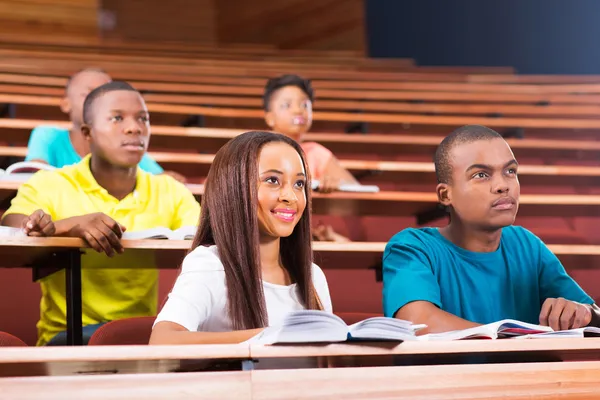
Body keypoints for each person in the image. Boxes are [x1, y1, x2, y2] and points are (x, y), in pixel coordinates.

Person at [2, 81, 200, 346]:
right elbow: (14, 229)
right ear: (88, 133)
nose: (134, 128)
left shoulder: (170, 190)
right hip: (66, 339)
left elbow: (205, 241)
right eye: (117, 118)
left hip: (143, 339)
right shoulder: (49, 183)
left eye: (143, 119)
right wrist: (68, 226)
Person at [383, 124, 600, 334]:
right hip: (446, 372)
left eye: (510, 171)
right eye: (481, 175)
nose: (502, 185)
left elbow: (593, 314)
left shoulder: (527, 245)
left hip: (526, 372)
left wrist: (585, 313)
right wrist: (516, 339)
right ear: (445, 195)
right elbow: (419, 323)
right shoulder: (412, 247)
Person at [149, 131, 332, 345]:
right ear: (234, 187)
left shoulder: (312, 275)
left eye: (299, 184)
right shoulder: (210, 265)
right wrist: (274, 337)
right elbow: (163, 340)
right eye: (273, 180)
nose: (290, 197)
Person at [25, 67, 185, 182]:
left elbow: (162, 178)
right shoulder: (47, 135)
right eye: (88, 94)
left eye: (107, 95)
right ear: (66, 103)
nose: (98, 102)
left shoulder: (122, 145)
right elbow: (35, 174)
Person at [264, 74, 356, 242]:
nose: (298, 110)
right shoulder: (259, 151)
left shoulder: (316, 152)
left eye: (305, 105)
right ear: (270, 117)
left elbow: (354, 189)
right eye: (287, 105)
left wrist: (335, 184)